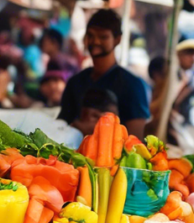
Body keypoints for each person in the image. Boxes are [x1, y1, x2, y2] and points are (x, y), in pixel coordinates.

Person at [58, 9, 150, 137]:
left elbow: (136, 140)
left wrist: (98, 131)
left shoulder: (132, 85)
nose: (95, 41)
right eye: (90, 35)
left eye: (103, 37)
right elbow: (60, 126)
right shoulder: (76, 82)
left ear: (117, 40)